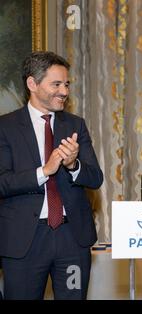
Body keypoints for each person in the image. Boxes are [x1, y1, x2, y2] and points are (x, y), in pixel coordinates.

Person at [0, 51, 103, 299]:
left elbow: (95, 178)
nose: (64, 91)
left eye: (66, 84)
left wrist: (73, 164)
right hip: (24, 241)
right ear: (32, 84)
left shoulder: (75, 125)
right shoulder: (5, 127)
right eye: (56, 84)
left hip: (72, 240)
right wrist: (43, 172)